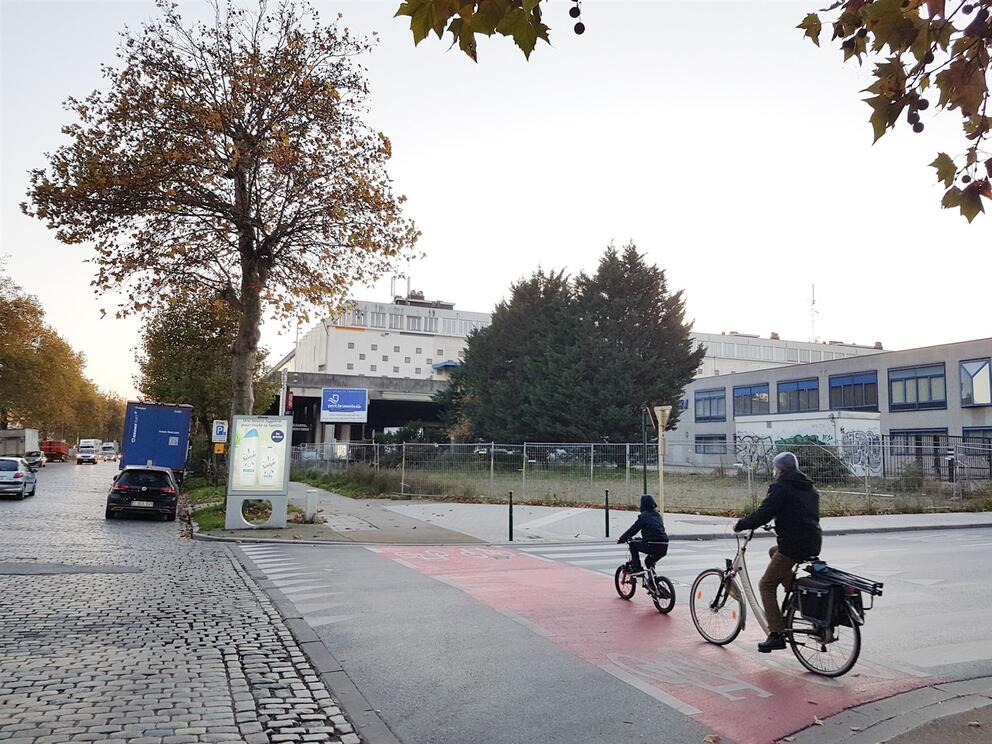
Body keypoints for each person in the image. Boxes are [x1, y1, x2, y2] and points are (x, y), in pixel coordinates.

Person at [734, 451, 822, 653]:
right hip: (813, 542)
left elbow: (765, 512)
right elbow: (801, 513)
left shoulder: (781, 487)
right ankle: (796, 593)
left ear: (780, 469)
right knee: (773, 551)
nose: (773, 471)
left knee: (766, 584)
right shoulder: (809, 487)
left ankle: (776, 634)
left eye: (774, 468)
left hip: (793, 545)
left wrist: (740, 524)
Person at [617, 494, 669, 584]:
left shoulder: (644, 516)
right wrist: (643, 538)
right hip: (664, 545)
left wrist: (622, 538)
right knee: (649, 561)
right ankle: (654, 583)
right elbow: (655, 531)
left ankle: (637, 568)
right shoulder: (657, 515)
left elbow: (633, 529)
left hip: (651, 544)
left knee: (633, 544)